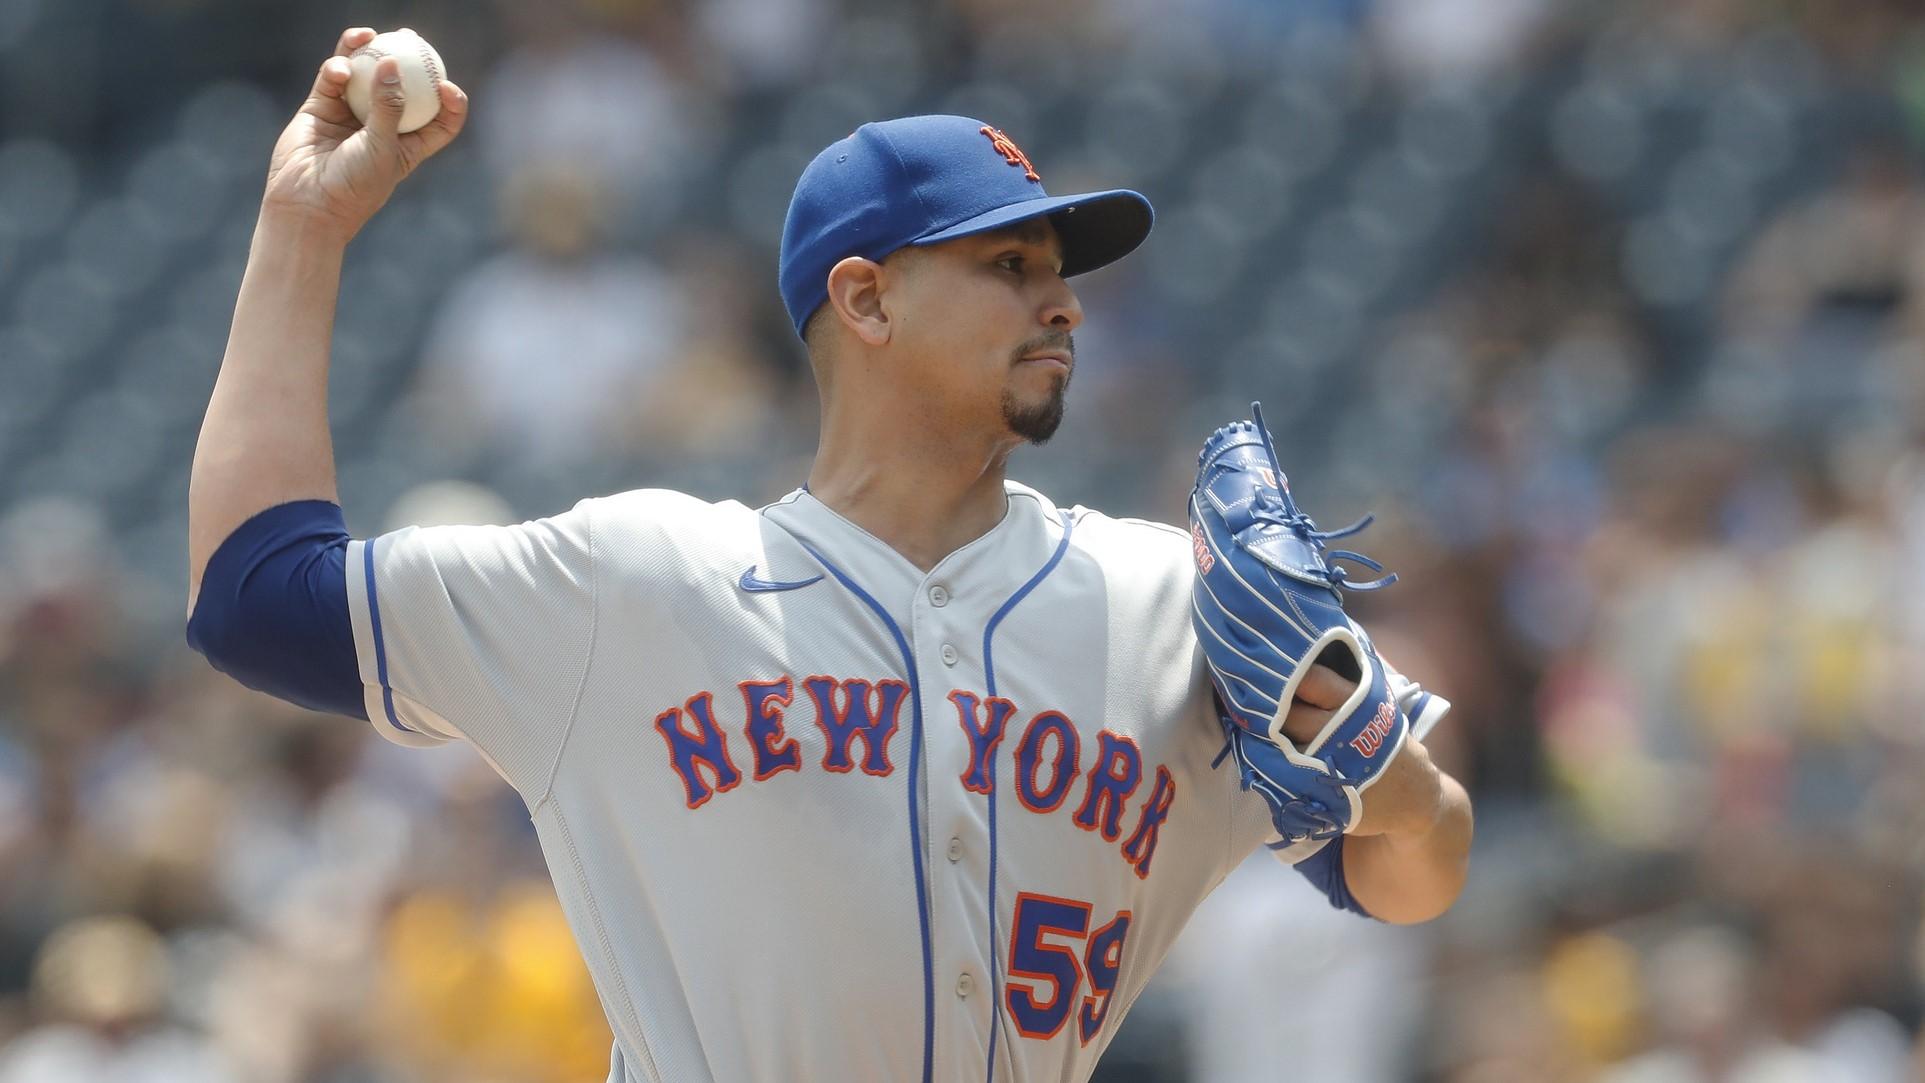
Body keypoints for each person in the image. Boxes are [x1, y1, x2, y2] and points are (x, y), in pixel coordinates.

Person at [185, 27, 1473, 1083]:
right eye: (1008, 264)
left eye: (1062, 271)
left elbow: (1413, 876)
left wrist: (1373, 761)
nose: (1063, 299)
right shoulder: (635, 582)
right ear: (864, 300)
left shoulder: (1162, 600)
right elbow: (254, 596)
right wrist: (304, 230)